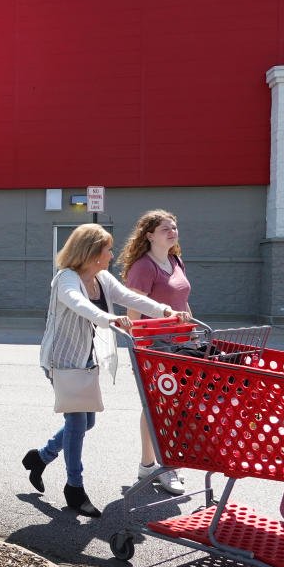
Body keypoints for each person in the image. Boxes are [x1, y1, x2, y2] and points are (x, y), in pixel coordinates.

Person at [22, 223, 189, 517]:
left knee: (87, 423)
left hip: (87, 360)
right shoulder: (66, 279)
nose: (111, 255)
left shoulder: (101, 278)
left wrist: (164, 311)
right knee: (76, 424)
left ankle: (41, 457)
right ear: (91, 252)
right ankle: (75, 489)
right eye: (107, 249)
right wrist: (110, 319)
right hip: (63, 360)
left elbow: (130, 297)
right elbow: (79, 305)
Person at [116, 209, 191, 496]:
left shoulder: (175, 260)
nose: (172, 232)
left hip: (182, 344)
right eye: (165, 229)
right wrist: (139, 347)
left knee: (173, 407)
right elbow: (133, 312)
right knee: (159, 406)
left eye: (174, 227)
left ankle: (153, 464)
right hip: (156, 347)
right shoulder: (144, 267)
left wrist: (194, 333)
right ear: (149, 235)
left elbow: (183, 302)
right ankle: (159, 465)